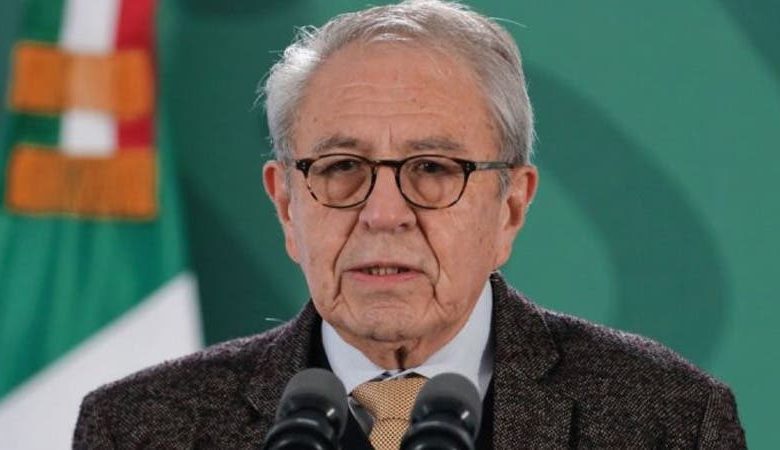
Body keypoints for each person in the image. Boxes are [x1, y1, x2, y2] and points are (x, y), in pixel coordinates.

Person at [73, 1, 745, 448]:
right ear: (287, 206)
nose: (384, 213)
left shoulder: (669, 421)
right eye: (341, 167)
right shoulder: (139, 430)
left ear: (510, 207)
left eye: (432, 168)